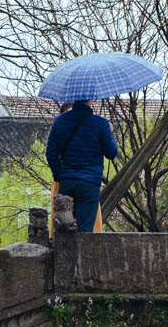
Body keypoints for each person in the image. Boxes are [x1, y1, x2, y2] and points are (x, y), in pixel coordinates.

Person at [45, 99, 118, 232]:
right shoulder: (100, 123)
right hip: (89, 183)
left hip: (66, 180)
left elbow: (50, 153)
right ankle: (81, 253)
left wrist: (59, 175)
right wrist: (109, 132)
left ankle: (65, 253)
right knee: (84, 231)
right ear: (91, 99)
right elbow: (112, 153)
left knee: (63, 229)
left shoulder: (60, 121)